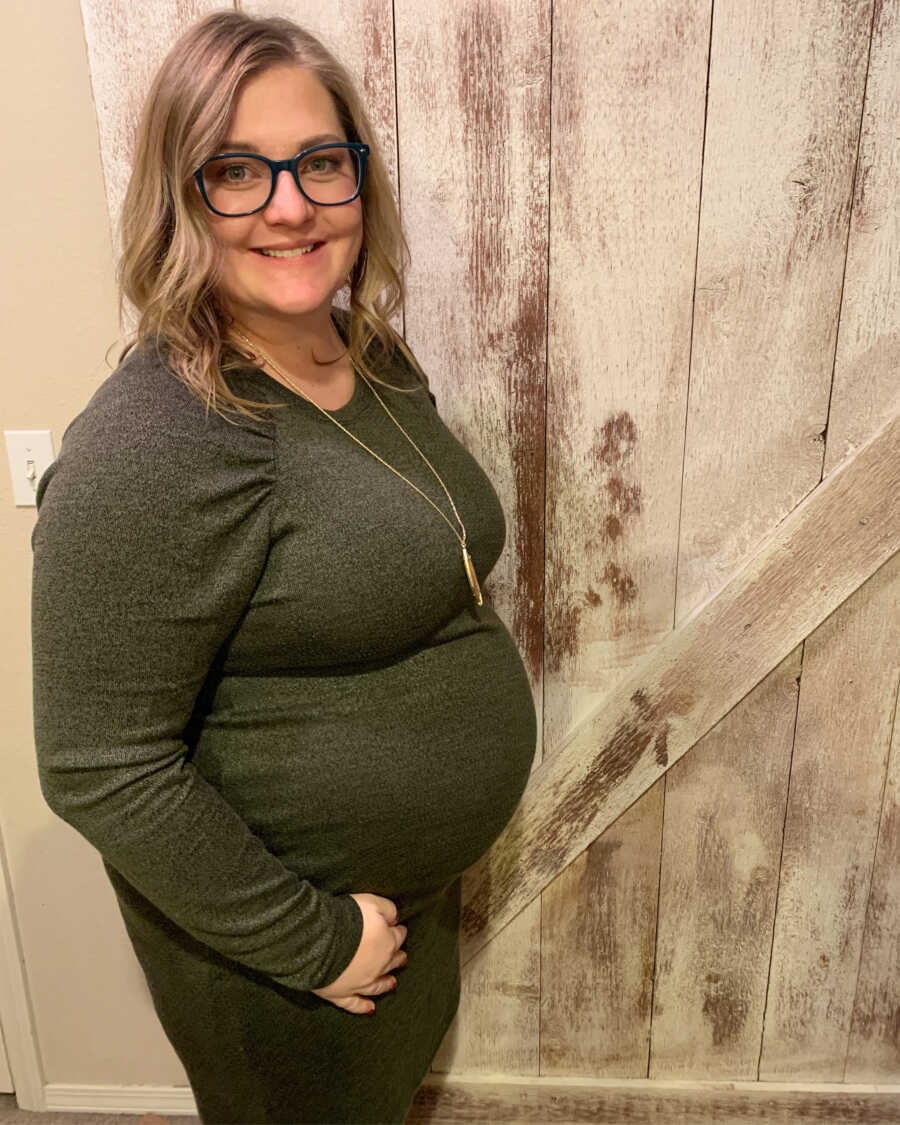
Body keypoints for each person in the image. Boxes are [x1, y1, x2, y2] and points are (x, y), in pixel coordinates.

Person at [30, 9, 537, 1124]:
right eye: (235, 172)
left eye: (317, 161)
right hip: (288, 956)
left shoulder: (367, 355)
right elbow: (96, 762)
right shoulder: (160, 442)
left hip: (394, 912)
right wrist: (316, 943)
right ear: (179, 195)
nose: (291, 204)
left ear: (359, 177)